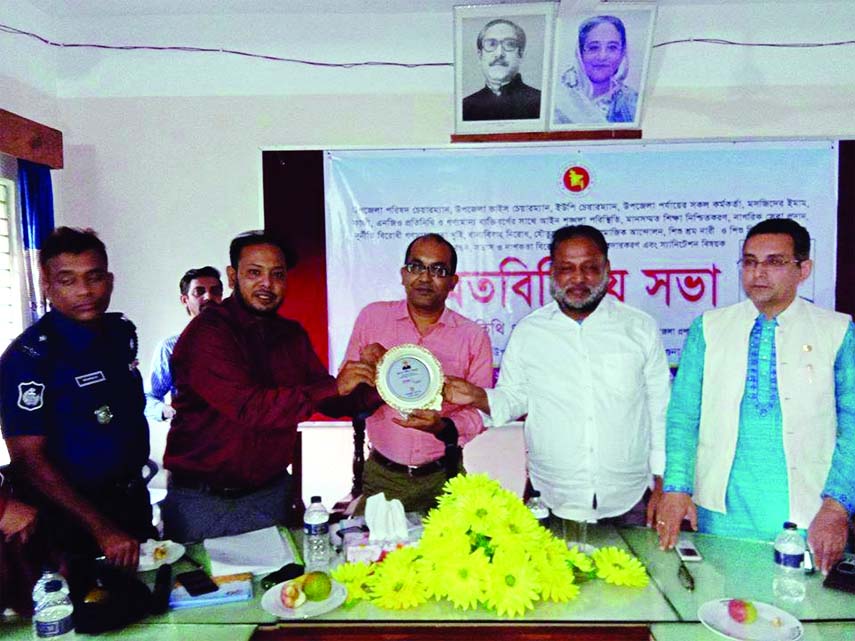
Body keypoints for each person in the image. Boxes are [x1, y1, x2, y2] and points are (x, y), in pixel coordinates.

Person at [658, 218, 855, 575]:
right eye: (749, 262)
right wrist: (676, 488)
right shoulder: (710, 328)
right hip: (720, 513)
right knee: (723, 613)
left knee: (804, 618)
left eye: (774, 262)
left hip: (808, 513)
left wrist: (837, 508)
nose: (758, 273)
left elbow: (853, 426)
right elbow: (683, 415)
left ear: (803, 269)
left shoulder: (837, 331)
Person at [445, 225, 670, 526]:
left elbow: (660, 409)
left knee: (632, 573)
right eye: (567, 268)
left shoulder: (639, 328)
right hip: (552, 498)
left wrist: (663, 484)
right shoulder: (530, 332)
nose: (578, 279)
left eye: (590, 268)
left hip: (631, 500)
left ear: (607, 270)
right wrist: (478, 397)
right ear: (552, 272)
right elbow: (514, 398)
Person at [161, 231, 375, 542]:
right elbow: (251, 407)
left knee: (277, 585)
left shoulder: (290, 335)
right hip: (203, 502)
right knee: (206, 588)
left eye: (277, 274)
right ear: (233, 277)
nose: (267, 284)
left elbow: (331, 400)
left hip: (269, 494)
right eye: (254, 273)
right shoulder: (207, 334)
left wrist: (386, 381)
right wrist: (335, 387)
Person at [0, 227, 155, 570]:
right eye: (67, 280)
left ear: (110, 280)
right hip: (71, 518)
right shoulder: (28, 357)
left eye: (94, 277)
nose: (85, 291)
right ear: (47, 285)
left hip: (131, 499)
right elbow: (28, 459)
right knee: (92, 615)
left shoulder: (119, 334)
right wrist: (102, 528)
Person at [343, 233, 492, 513]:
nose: (425, 278)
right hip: (382, 475)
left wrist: (443, 428)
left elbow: (481, 410)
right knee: (376, 554)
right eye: (416, 267)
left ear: (452, 282)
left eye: (438, 270)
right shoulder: (373, 318)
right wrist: (371, 373)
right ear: (403, 274)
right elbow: (344, 391)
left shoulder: (473, 336)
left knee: (450, 555)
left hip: (444, 475)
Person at [145, 266, 223, 421]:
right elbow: (148, 397)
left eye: (215, 291)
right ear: (185, 300)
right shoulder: (170, 348)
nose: (208, 296)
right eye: (199, 292)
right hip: (192, 438)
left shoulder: (238, 341)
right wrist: (168, 411)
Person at [553, 15, 638, 125]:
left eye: (612, 47)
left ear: (622, 53)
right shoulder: (558, 97)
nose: (602, 56)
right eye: (593, 48)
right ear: (580, 53)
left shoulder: (632, 101)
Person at [462, 18, 542, 121]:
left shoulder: (541, 102)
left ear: (521, 54)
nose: (499, 54)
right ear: (480, 55)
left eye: (509, 44)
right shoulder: (466, 106)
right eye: (491, 44)